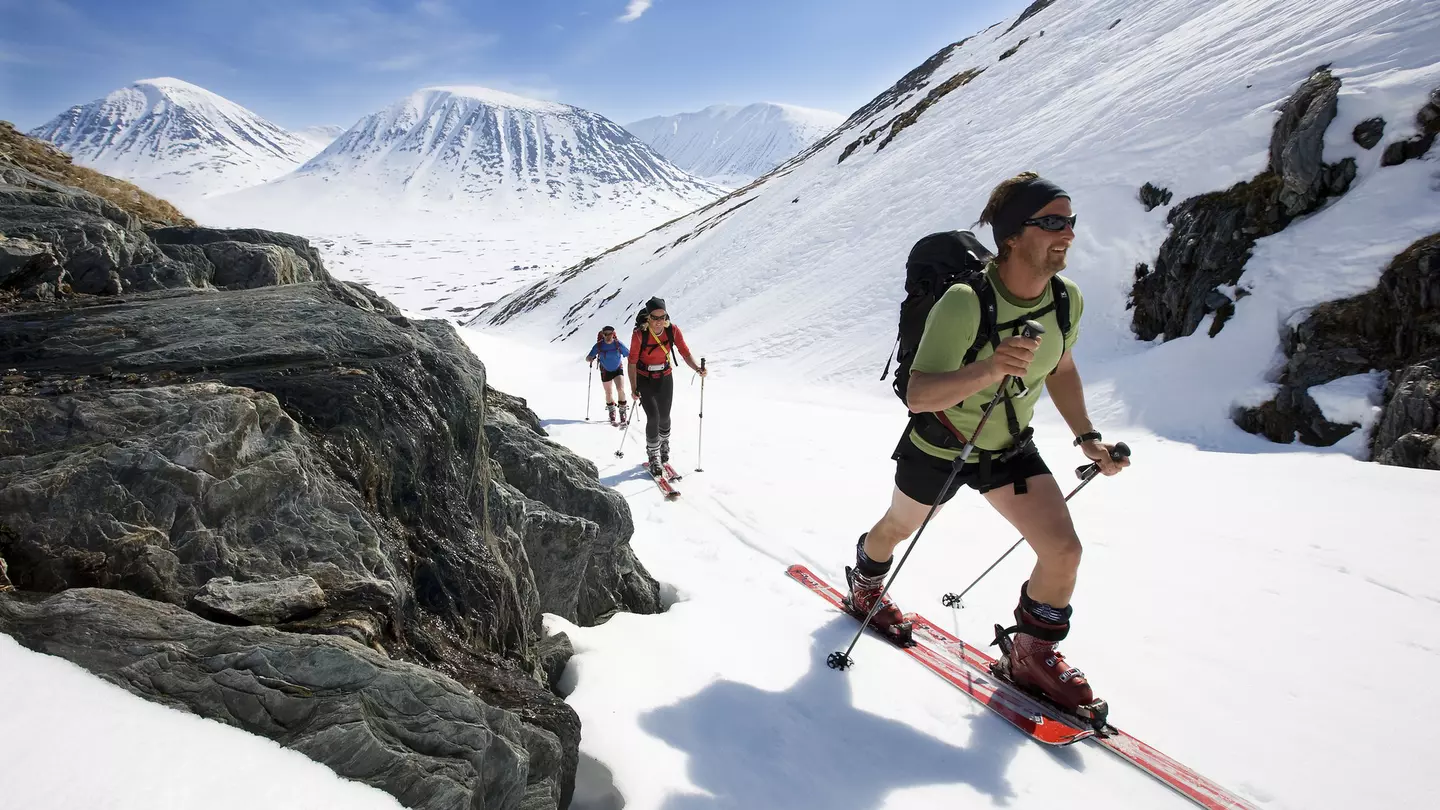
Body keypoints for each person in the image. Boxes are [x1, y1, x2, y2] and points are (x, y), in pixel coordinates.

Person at [845, 172, 1129, 719]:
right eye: (1051, 221)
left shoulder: (1066, 301)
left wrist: (1087, 437)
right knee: (897, 529)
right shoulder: (963, 302)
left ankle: (1033, 652)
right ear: (1012, 236)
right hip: (942, 442)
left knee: (1063, 550)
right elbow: (920, 394)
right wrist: (991, 368)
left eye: (1070, 221)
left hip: (1007, 447)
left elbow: (1062, 366)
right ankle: (866, 581)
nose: (1066, 232)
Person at [627, 296, 707, 475]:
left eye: (662, 317)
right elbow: (632, 362)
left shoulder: (673, 331)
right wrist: (633, 387)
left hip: (665, 377)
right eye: (654, 317)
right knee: (653, 417)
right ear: (648, 317)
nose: (658, 321)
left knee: (665, 416)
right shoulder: (639, 335)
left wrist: (697, 369)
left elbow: (685, 352)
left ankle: (664, 445)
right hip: (644, 378)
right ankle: (653, 455)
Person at [586, 326, 630, 425]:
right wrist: (590, 358)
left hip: (618, 369)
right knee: (608, 392)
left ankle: (622, 411)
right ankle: (612, 410)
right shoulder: (599, 345)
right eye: (606, 334)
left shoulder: (618, 344)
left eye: (610, 334)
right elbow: (589, 356)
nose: (608, 336)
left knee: (620, 389)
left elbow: (628, 354)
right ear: (603, 334)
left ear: (613, 334)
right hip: (605, 370)